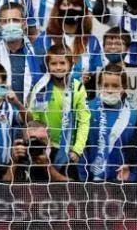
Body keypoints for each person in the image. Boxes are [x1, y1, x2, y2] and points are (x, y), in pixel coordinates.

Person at [26, 44, 90, 177]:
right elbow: (34, 119)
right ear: (47, 65)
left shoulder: (77, 88)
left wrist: (77, 150)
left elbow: (84, 121)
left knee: (68, 192)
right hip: (43, 147)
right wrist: (39, 143)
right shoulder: (40, 87)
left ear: (71, 64)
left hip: (68, 150)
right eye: (54, 63)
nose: (58, 67)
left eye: (62, 63)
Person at [79, 64, 137, 182]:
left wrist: (131, 177)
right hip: (91, 179)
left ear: (124, 87)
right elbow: (82, 148)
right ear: (99, 86)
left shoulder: (133, 115)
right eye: (105, 85)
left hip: (121, 178)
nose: (110, 90)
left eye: (115, 86)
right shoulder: (87, 109)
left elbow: (135, 151)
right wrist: (83, 178)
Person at [4, 121, 69, 182]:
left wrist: (48, 167)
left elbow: (73, 188)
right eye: (32, 141)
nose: (37, 145)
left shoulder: (61, 158)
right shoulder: (18, 157)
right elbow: (1, 190)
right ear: (23, 142)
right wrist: (14, 163)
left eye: (41, 140)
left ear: (50, 141)